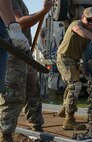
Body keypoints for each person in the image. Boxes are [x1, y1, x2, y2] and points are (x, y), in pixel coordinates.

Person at [0, 0, 52, 141]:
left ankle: (36, 125)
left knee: (33, 91)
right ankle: (6, 134)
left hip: (25, 53)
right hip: (14, 53)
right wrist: (43, 11)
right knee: (14, 94)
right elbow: (21, 22)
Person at [56, 7, 92, 130]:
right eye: (89, 20)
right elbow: (79, 30)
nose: (91, 23)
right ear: (83, 17)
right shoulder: (76, 24)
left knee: (72, 85)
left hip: (74, 60)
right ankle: (69, 120)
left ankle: (65, 108)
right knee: (75, 85)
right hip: (64, 58)